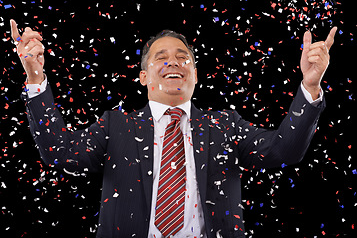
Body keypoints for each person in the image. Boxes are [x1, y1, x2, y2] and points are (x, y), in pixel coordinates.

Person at [10, 19, 337, 238]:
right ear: (143, 77)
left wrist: (309, 87)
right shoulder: (116, 125)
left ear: (194, 75)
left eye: (183, 58)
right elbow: (61, 154)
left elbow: (283, 152)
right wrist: (36, 79)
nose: (173, 62)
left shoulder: (224, 125)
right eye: (161, 57)